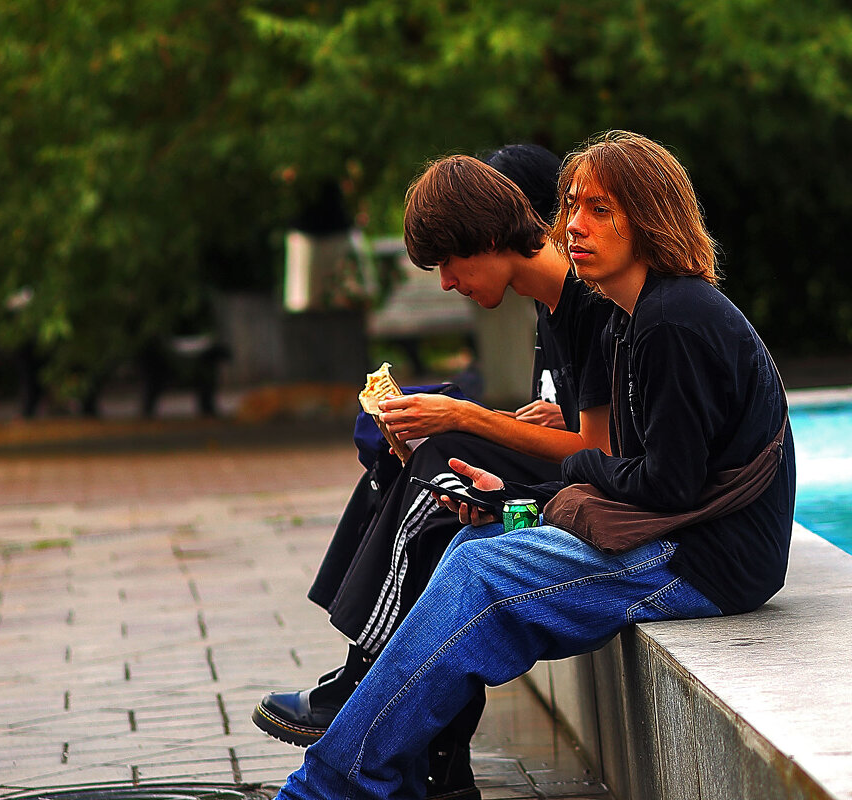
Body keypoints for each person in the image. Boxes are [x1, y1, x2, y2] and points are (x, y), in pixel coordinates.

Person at [273, 130, 797, 800]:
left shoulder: (673, 319)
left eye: (599, 209)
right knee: (474, 540)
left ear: (651, 218)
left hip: (708, 560)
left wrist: (550, 492)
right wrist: (518, 494)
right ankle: (400, 772)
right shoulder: (635, 316)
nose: (572, 224)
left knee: (481, 569)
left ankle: (328, 787)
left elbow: (667, 483)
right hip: (680, 535)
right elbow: (633, 467)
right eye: (572, 205)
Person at [253, 145, 614, 798]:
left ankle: (367, 687)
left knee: (441, 471)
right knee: (434, 470)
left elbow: (604, 455)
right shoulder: (560, 308)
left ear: (496, 229)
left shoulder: (595, 303)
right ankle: (424, 754)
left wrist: (470, 417)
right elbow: (588, 431)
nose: (446, 281)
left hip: (623, 513)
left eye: (449, 260)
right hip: (599, 490)